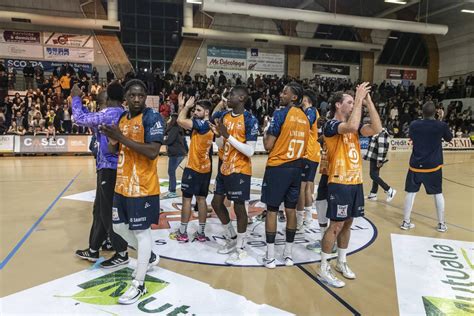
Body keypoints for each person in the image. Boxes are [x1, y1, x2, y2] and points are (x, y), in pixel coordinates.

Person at [100, 79, 164, 304]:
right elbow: (113, 148)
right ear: (125, 97)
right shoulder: (121, 118)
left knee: (141, 233)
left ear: (145, 97)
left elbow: (153, 151)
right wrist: (111, 138)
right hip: (123, 184)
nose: (137, 99)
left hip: (143, 187)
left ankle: (139, 283)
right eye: (133, 95)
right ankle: (150, 256)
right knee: (118, 227)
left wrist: (121, 138)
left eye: (141, 95)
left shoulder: (152, 118)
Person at [318, 84, 382, 288]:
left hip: (355, 181)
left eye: (355, 102)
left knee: (348, 224)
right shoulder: (331, 125)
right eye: (350, 102)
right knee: (335, 226)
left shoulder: (354, 127)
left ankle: (341, 261)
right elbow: (352, 126)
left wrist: (368, 102)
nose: (354, 104)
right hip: (339, 182)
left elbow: (377, 129)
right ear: (338, 105)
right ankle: (323, 267)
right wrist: (359, 97)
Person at [72, 82, 131, 268]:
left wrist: (75, 97)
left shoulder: (109, 113)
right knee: (99, 209)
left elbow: (79, 118)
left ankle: (121, 252)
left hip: (108, 168)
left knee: (107, 212)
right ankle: (93, 248)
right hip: (118, 167)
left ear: (109, 99)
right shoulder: (125, 114)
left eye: (103, 99)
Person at [261, 82, 309, 268]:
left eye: (285, 92)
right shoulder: (305, 118)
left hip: (278, 167)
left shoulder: (280, 114)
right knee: (291, 211)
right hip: (296, 168)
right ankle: (288, 255)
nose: (281, 94)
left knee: (272, 210)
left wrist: (266, 129)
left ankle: (270, 256)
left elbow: (267, 145)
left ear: (294, 97)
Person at [210, 86, 258, 264]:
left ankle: (241, 247)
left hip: (240, 169)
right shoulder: (224, 116)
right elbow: (222, 146)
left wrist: (228, 136)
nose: (227, 97)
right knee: (216, 203)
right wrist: (218, 136)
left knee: (239, 208)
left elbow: (251, 151)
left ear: (242, 97)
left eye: (231, 95)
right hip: (224, 167)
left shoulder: (250, 119)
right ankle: (231, 237)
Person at [401, 101, 453, 232]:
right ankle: (441, 224)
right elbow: (449, 138)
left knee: (411, 193)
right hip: (433, 166)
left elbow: (413, 136)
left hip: (415, 165)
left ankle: (406, 222)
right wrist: (441, 119)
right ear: (436, 112)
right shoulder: (441, 125)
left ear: (421, 112)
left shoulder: (414, 124)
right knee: (438, 194)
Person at [170, 93, 213, 242]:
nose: (195, 112)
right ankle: (201, 233)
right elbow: (184, 122)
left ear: (206, 112)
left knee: (187, 200)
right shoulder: (209, 124)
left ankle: (182, 233)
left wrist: (186, 107)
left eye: (198, 110)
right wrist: (182, 106)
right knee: (201, 200)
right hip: (205, 170)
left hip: (193, 168)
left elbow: (181, 120)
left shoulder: (201, 125)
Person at [296, 89, 321, 229]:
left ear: (308, 101)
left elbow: (304, 125)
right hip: (312, 154)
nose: (301, 102)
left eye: (303, 100)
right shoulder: (311, 112)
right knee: (307, 187)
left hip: (308, 154)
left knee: (301, 187)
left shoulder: (310, 111)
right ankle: (308, 217)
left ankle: (300, 219)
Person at [364, 128, 396, 202]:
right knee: (375, 175)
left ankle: (389, 190)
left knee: (373, 175)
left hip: (376, 158)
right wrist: (380, 160)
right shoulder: (382, 133)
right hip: (375, 157)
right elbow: (381, 147)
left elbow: (381, 148)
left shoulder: (382, 133)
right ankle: (373, 194)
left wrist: (380, 160)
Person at [164, 113, 187, 198]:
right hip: (179, 153)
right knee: (171, 171)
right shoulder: (178, 128)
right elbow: (184, 142)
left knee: (171, 172)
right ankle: (171, 189)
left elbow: (169, 141)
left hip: (176, 154)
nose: (168, 119)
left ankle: (172, 191)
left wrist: (159, 142)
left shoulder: (174, 128)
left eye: (170, 118)